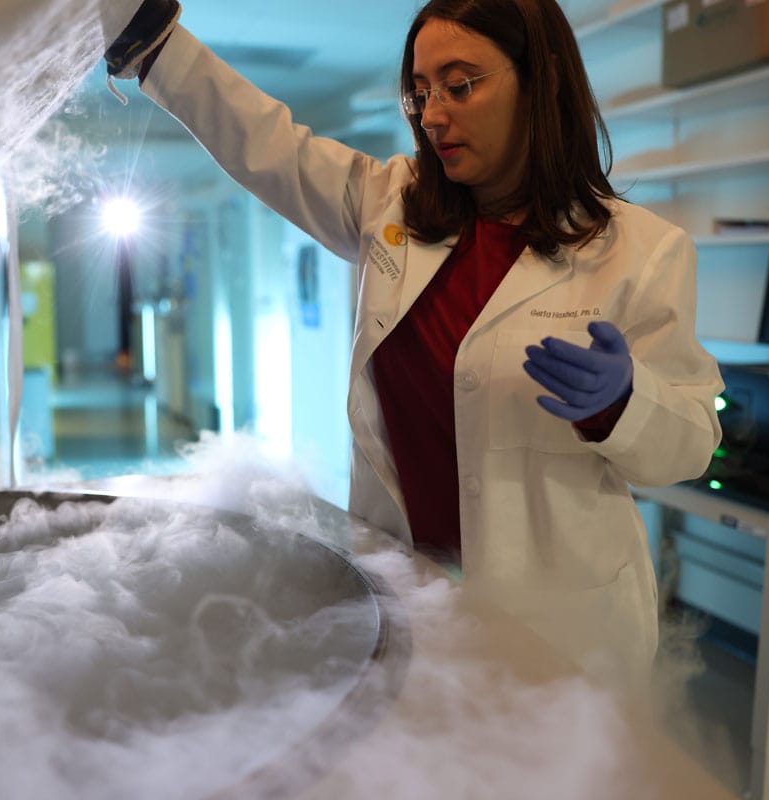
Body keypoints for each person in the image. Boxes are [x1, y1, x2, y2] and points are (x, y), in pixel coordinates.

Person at [103, 0, 723, 683]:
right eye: (421, 91)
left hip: (562, 620)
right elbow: (269, 146)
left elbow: (692, 443)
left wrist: (625, 402)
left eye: (460, 86)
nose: (431, 115)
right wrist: (154, 45)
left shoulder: (642, 250)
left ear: (542, 82)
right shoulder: (392, 205)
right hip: (410, 591)